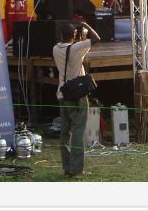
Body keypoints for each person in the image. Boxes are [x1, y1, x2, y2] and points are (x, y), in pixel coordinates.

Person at [53, 21, 100, 178]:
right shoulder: (76, 49)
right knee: (78, 133)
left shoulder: (55, 49)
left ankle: (67, 167)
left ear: (60, 35)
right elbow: (97, 38)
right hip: (77, 96)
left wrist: (76, 35)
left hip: (62, 94)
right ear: (73, 36)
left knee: (64, 134)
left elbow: (69, 46)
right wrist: (85, 24)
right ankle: (76, 169)